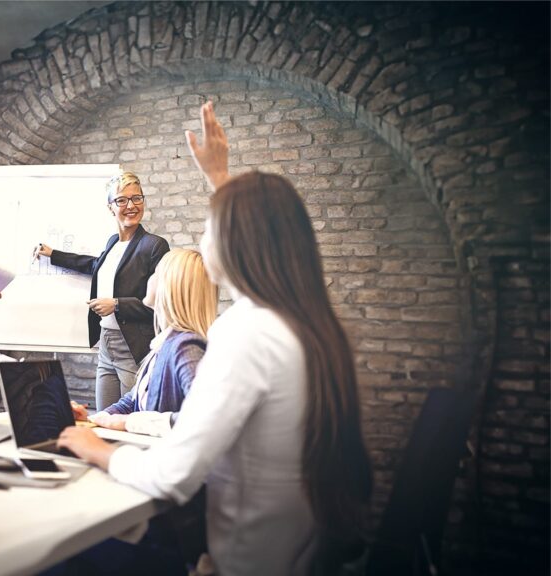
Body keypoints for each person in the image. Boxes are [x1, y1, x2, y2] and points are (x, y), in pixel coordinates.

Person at [59, 101, 373, 575]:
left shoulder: (246, 333)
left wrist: (93, 448)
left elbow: (174, 476)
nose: (203, 244)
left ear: (232, 239)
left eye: (210, 227)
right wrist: (220, 178)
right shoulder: (309, 324)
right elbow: (266, 230)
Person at [34, 172, 169, 410]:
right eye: (122, 200)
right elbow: (94, 265)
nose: (131, 206)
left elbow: (160, 304)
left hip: (133, 347)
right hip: (106, 345)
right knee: (104, 415)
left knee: (131, 418)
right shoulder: (112, 244)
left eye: (137, 198)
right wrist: (54, 254)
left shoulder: (154, 246)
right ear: (110, 207)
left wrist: (116, 304)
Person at [70, 248, 217, 437]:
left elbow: (206, 417)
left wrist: (129, 422)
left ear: (170, 286)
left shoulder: (186, 346)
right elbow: (132, 401)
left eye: (156, 273)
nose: (150, 278)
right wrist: (93, 420)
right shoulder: (164, 345)